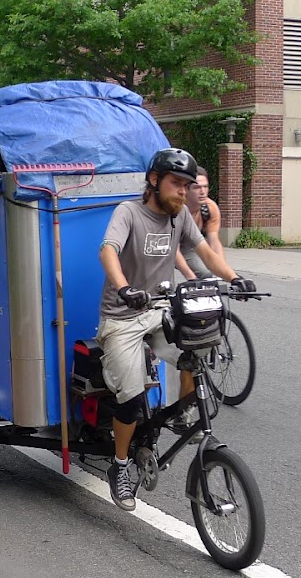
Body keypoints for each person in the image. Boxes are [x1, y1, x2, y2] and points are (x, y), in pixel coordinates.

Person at [98, 148, 254, 511]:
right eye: (176, 183)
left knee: (198, 350)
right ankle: (119, 465)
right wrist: (125, 288)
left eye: (187, 185)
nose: (184, 191)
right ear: (154, 181)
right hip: (123, 316)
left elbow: (206, 252)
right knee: (130, 399)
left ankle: (179, 416)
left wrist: (235, 278)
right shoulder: (128, 212)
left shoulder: (180, 215)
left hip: (159, 310)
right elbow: (108, 251)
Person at [175, 168, 224, 281]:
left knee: (206, 274)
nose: (202, 191)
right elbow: (173, 250)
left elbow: (214, 241)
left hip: (187, 247)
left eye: (205, 187)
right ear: (186, 189)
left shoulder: (210, 208)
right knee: (163, 283)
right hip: (164, 247)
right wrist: (190, 277)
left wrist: (223, 272)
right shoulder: (175, 208)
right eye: (197, 187)